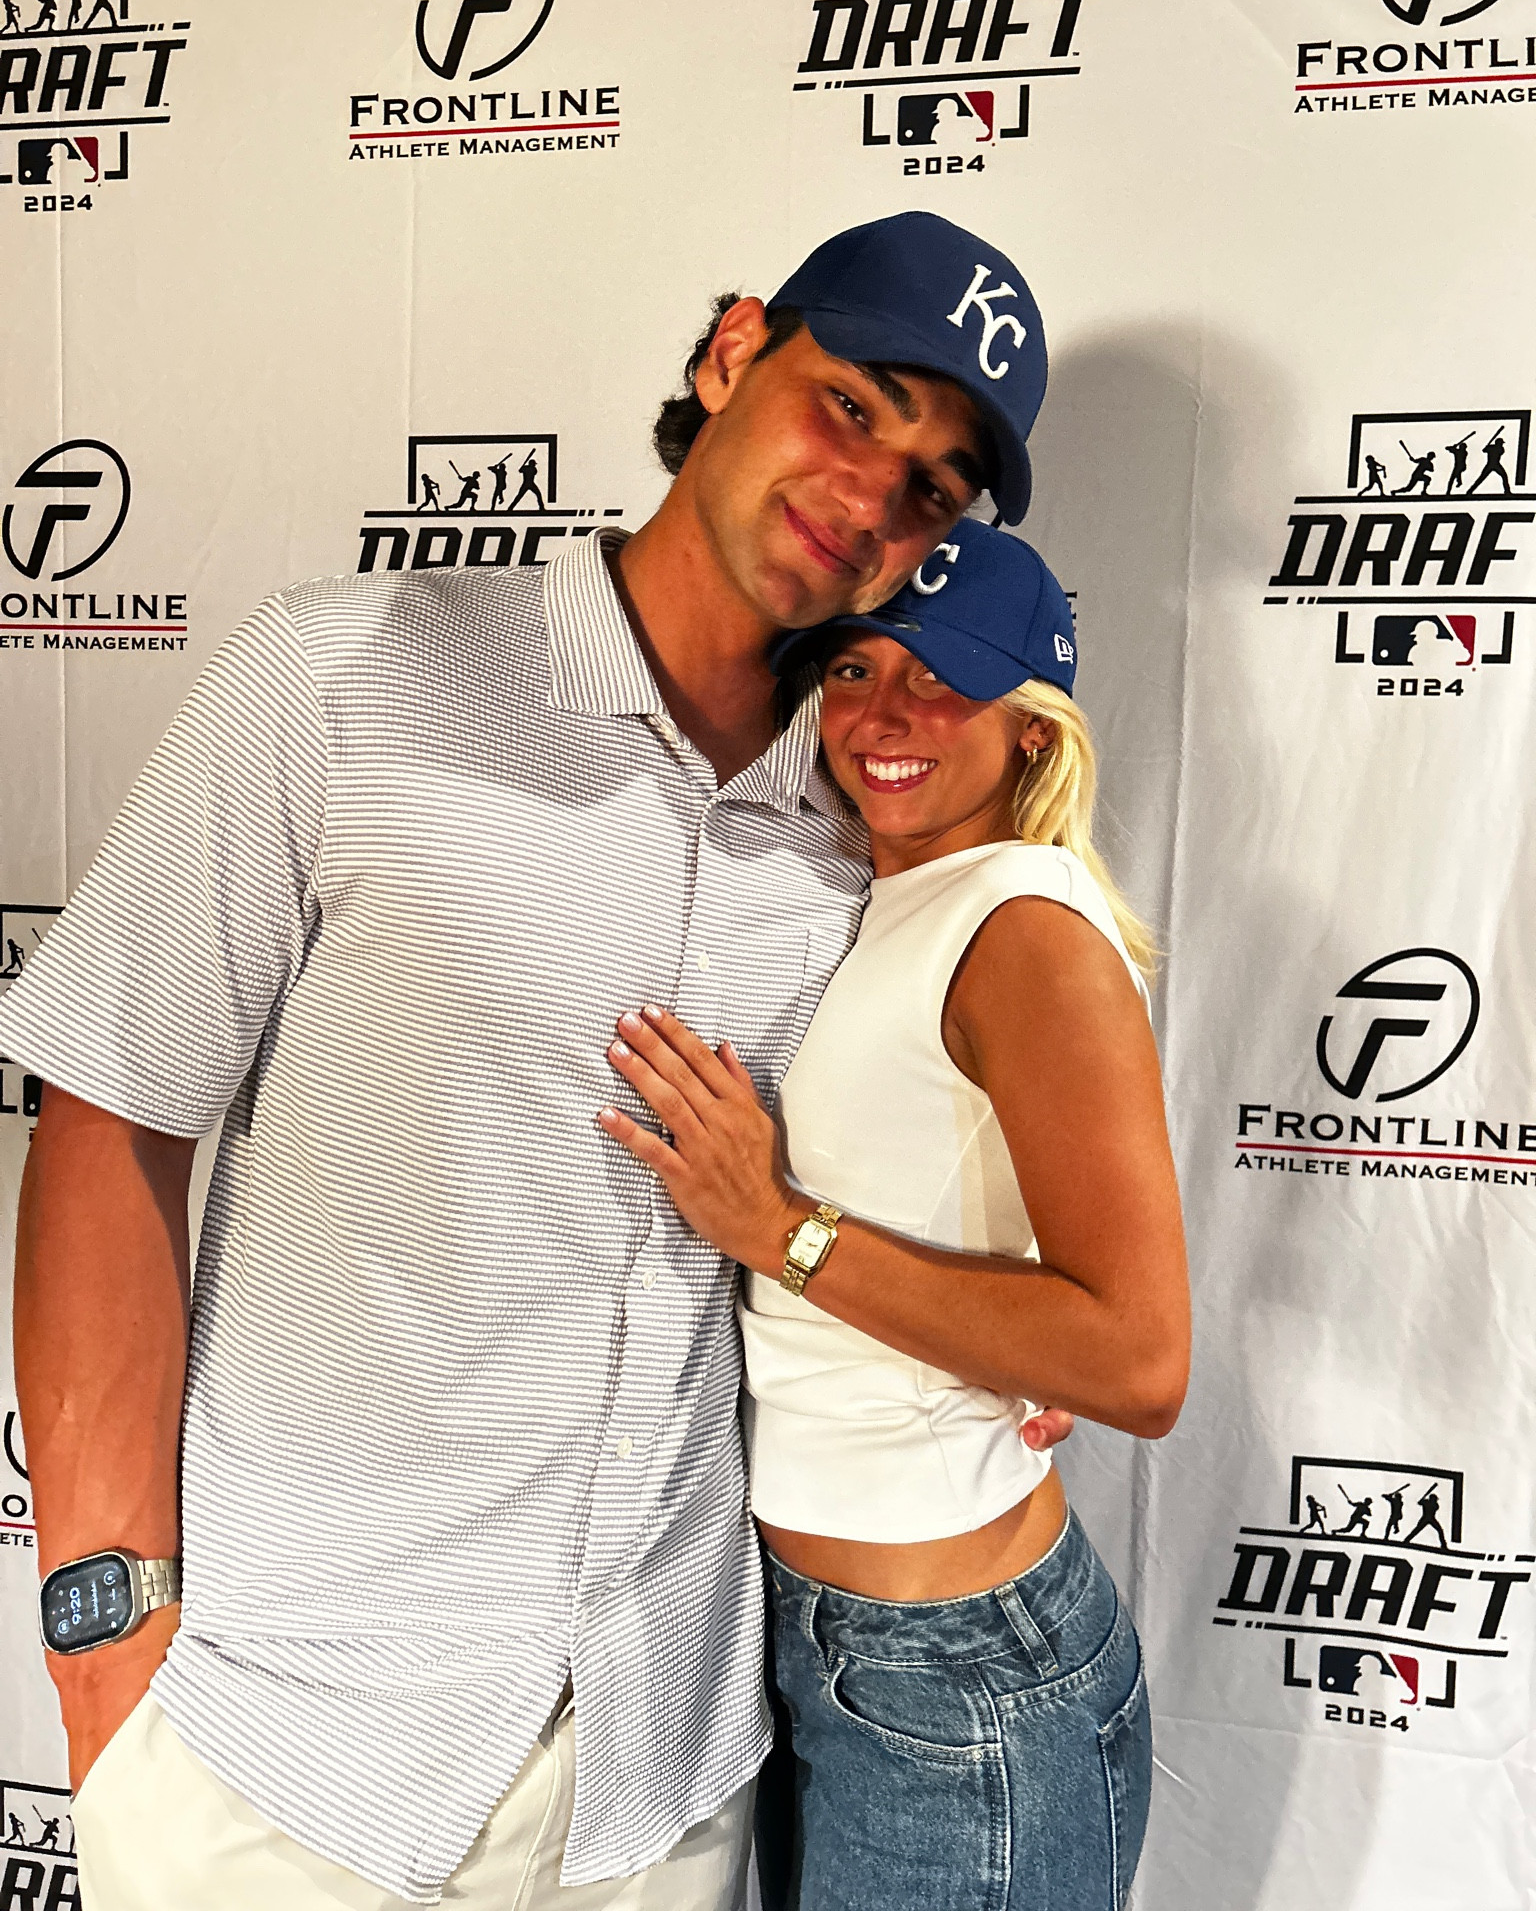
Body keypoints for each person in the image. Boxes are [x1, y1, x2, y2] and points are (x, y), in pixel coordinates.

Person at [3, 211, 1070, 1910]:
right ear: (733, 351)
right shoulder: (346, 676)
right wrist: (104, 1640)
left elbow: (924, 1145)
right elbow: (111, 1114)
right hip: (283, 1758)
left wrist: (1000, 1325)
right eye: (853, 404)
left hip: (656, 1791)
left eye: (933, 486)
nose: (873, 494)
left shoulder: (870, 830)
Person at [597, 518, 1188, 1911]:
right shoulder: (875, 896)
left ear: (1032, 731)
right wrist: (1001, 1325)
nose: (884, 716)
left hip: (957, 1677)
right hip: (813, 1644)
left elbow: (1141, 1361)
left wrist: (780, 1229)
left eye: (941, 678)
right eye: (854, 671)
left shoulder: (1025, 927)